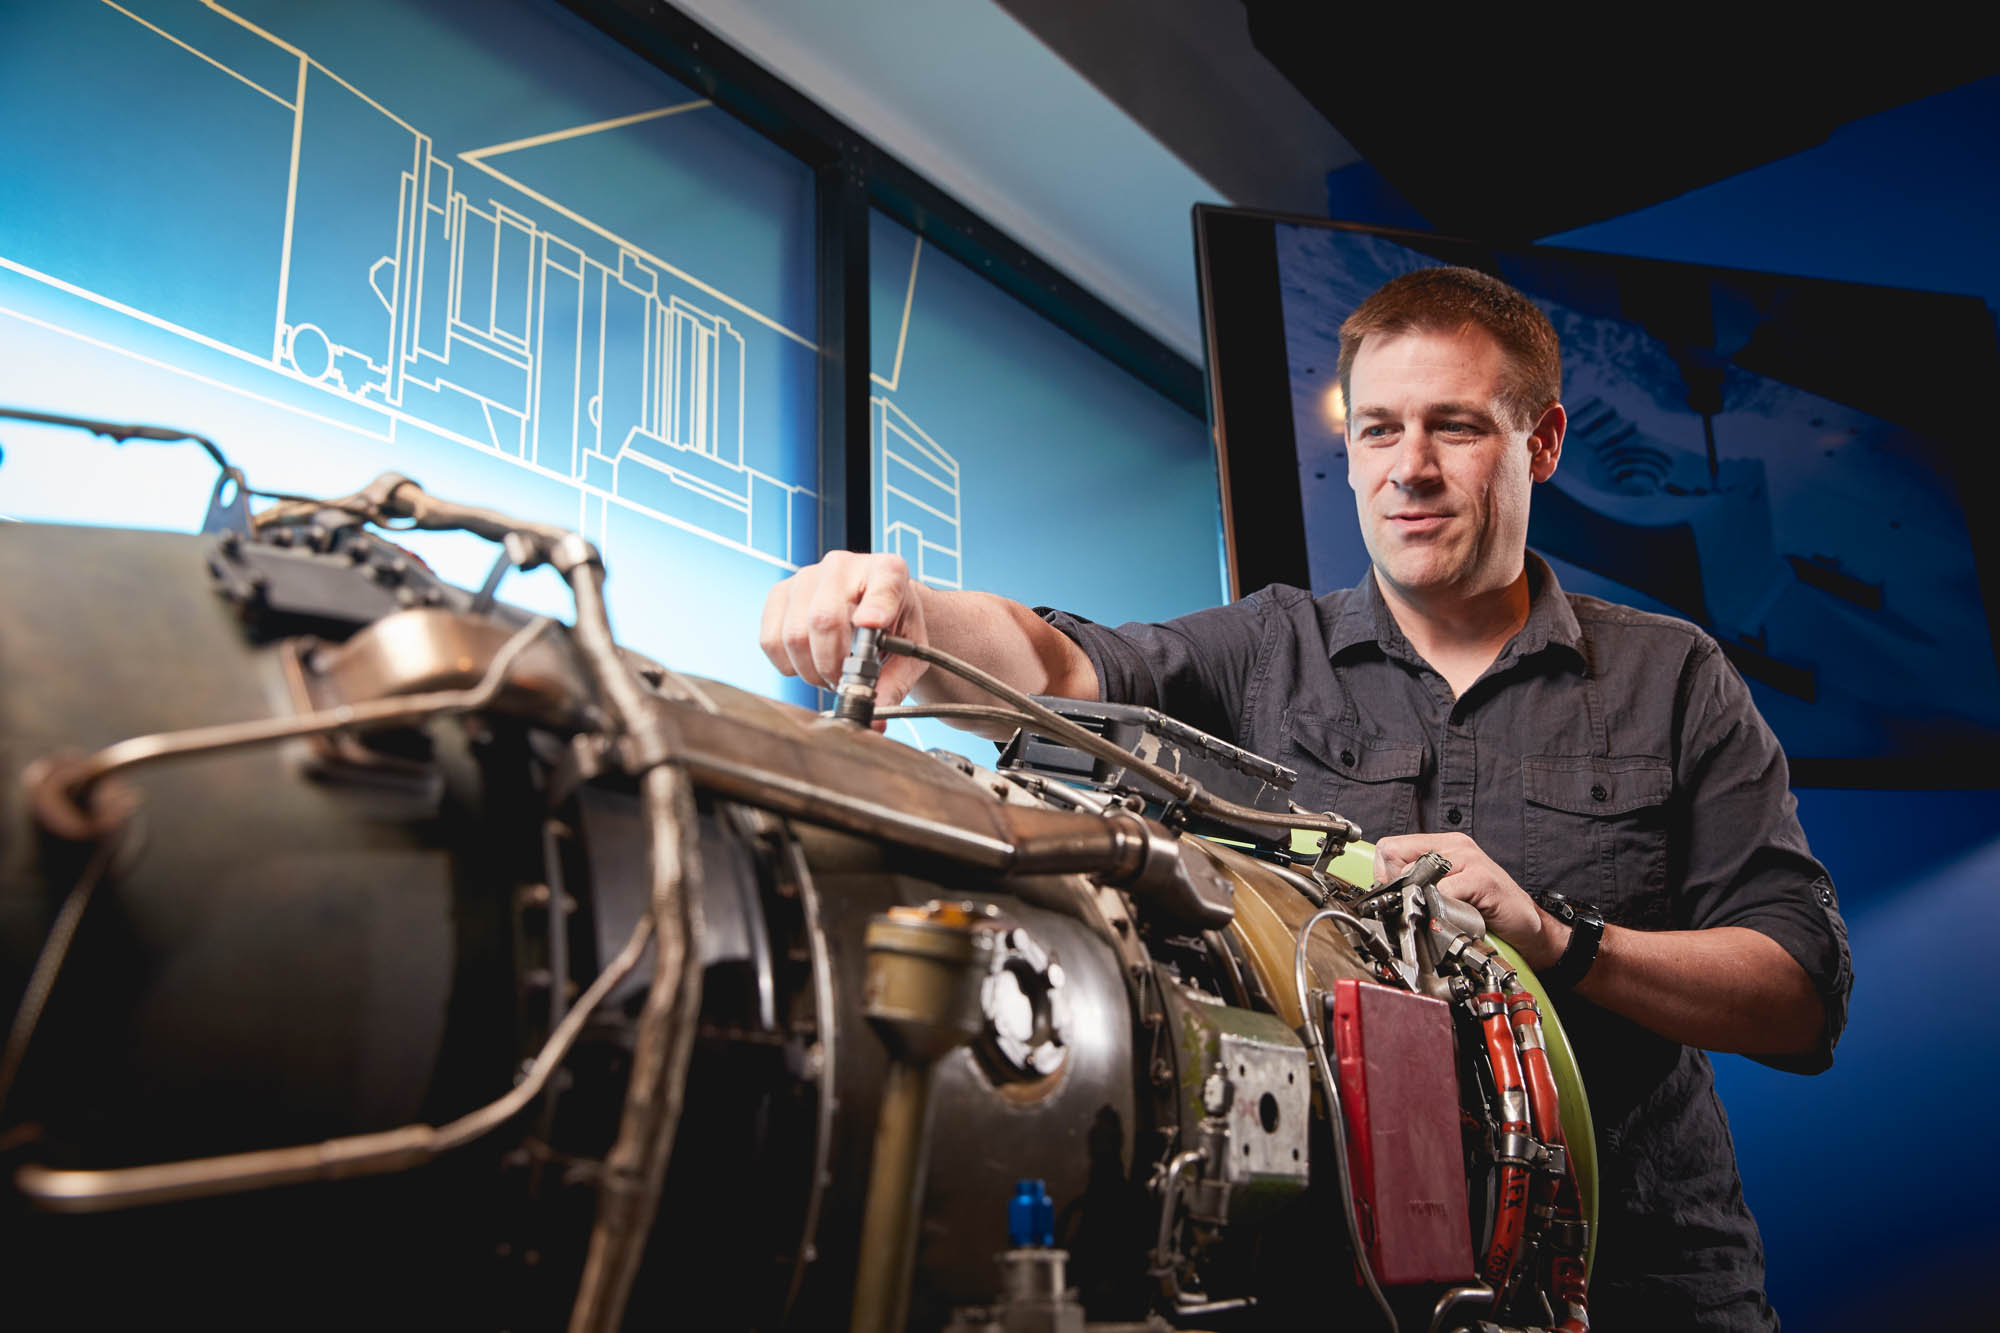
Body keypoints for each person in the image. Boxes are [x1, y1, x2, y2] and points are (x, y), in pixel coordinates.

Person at [760, 267, 1851, 1331]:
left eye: (1454, 427)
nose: (1408, 469)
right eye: (1377, 430)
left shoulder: (1674, 676)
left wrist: (1555, 939)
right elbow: (1058, 667)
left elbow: (1798, 995)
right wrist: (913, 620)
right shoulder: (1265, 650)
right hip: (1336, 1287)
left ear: (1543, 441)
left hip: (1637, 1283)